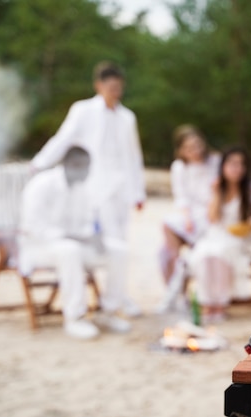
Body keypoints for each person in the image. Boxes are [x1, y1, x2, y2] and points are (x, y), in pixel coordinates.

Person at [30, 61, 145, 317]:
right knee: (99, 241)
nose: (115, 91)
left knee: (120, 242)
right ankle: (103, 299)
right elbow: (63, 138)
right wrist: (39, 163)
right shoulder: (83, 110)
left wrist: (139, 192)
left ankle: (118, 296)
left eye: (118, 86)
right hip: (91, 187)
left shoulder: (127, 117)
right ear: (99, 85)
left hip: (120, 187)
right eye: (110, 86)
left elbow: (133, 156)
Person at [18, 146, 132, 340]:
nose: (87, 171)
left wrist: (96, 238)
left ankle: (109, 311)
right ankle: (75, 317)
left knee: (118, 250)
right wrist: (74, 237)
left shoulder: (83, 188)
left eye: (89, 167)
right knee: (69, 250)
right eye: (83, 166)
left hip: (76, 245)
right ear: (69, 164)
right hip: (38, 248)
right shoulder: (42, 184)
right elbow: (34, 228)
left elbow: (87, 223)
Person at [188, 146, 251, 323]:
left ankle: (220, 302)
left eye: (241, 164)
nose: (237, 168)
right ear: (223, 166)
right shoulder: (217, 187)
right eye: (233, 164)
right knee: (204, 253)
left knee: (222, 251)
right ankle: (207, 301)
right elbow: (212, 218)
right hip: (218, 233)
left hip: (243, 236)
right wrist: (216, 192)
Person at [159, 125, 221, 285]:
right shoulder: (179, 167)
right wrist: (187, 218)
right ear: (181, 150)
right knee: (165, 246)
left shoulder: (215, 162)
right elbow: (182, 196)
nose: (195, 150)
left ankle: (191, 274)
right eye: (189, 148)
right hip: (192, 214)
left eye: (197, 145)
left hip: (213, 212)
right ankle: (175, 279)